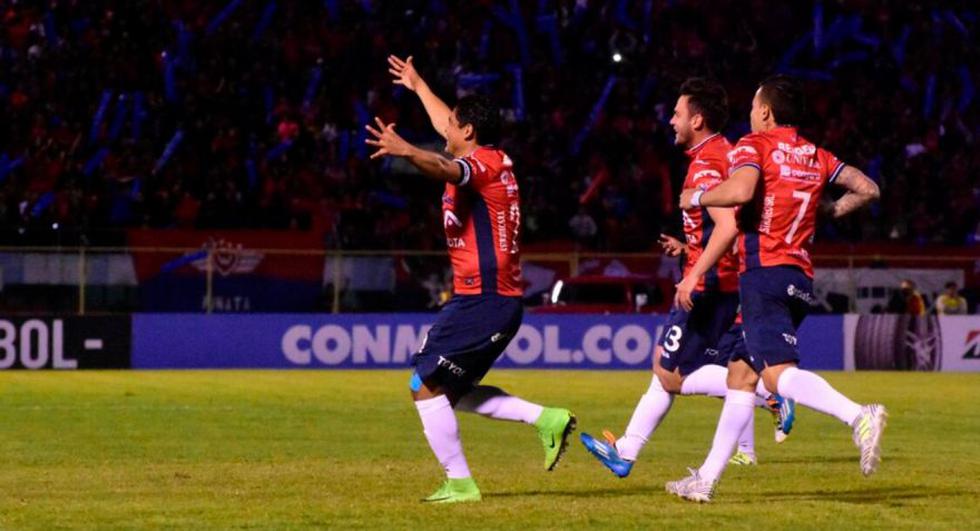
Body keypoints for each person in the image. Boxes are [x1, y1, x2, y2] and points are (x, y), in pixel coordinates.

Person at [365, 55, 575, 504]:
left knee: (423, 383)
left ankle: (460, 483)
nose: (445, 130)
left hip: (485, 299)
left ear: (468, 133)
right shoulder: (488, 157)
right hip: (489, 299)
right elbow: (447, 130)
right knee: (451, 391)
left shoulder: (481, 166)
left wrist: (407, 151)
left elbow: (445, 168)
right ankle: (547, 419)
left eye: (453, 126)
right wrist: (420, 85)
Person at [673, 75, 886, 502]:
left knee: (775, 375)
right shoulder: (816, 154)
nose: (751, 114)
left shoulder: (756, 144)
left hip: (763, 274)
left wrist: (697, 198)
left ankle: (858, 415)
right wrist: (826, 210)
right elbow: (869, 189)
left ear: (766, 112)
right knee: (741, 377)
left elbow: (743, 189)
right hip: (800, 277)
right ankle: (706, 480)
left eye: (754, 106)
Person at [578, 78, 795, 478]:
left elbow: (727, 225)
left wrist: (693, 272)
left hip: (710, 286)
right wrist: (690, 244)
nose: (671, 121)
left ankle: (769, 394)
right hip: (727, 282)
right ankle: (624, 451)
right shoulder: (727, 152)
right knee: (674, 371)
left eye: (677, 114)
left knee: (667, 371)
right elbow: (728, 225)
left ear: (696, 119)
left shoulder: (708, 161)